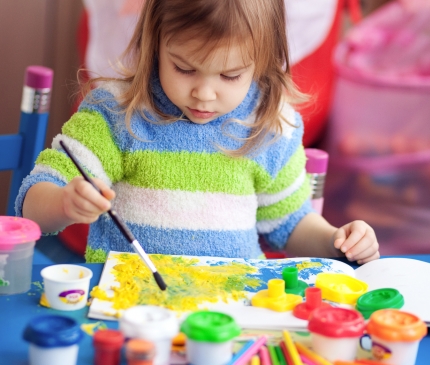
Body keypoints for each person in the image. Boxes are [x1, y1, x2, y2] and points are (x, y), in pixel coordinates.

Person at [16, 0, 380, 264]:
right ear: (154, 45)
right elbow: (32, 204)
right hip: (130, 313)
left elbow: (292, 226)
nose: (204, 94)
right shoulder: (116, 114)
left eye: (230, 75)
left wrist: (337, 241)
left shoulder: (270, 127)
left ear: (264, 61)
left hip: (231, 316)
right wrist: (65, 203)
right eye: (185, 69)